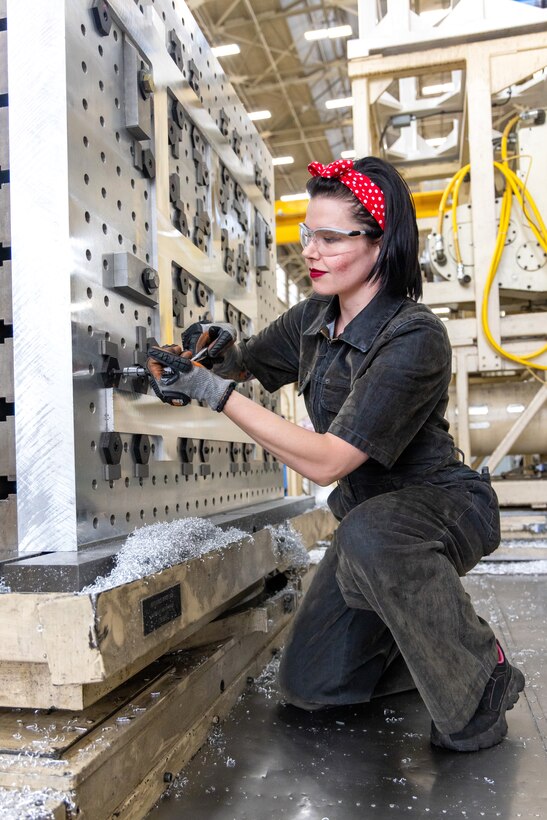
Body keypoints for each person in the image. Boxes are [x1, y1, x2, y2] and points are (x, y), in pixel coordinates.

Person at [147, 156, 525, 752]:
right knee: (312, 686)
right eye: (307, 234)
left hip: (439, 508)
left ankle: (482, 682)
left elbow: (326, 462)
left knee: (371, 533)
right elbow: (244, 362)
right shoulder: (311, 320)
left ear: (381, 243)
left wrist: (213, 395)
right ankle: (430, 651)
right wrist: (208, 352)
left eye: (330, 237)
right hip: (365, 535)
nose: (311, 251)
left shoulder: (413, 335)